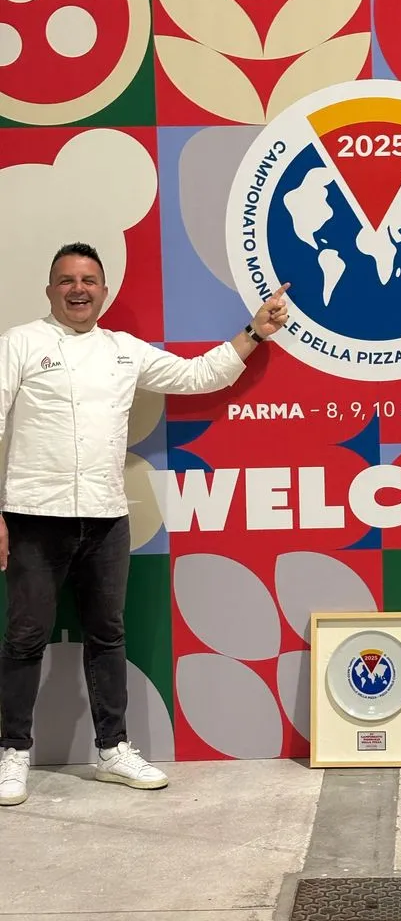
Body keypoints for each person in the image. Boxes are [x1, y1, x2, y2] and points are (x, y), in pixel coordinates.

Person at [0, 243, 289, 806]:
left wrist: (254, 333)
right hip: (34, 515)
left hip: (107, 518)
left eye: (88, 280)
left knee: (107, 636)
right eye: (67, 280)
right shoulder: (20, 343)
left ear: (104, 292)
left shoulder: (123, 350)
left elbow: (199, 375)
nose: (78, 290)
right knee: (25, 637)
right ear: (50, 289)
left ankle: (112, 749)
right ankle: (12, 752)